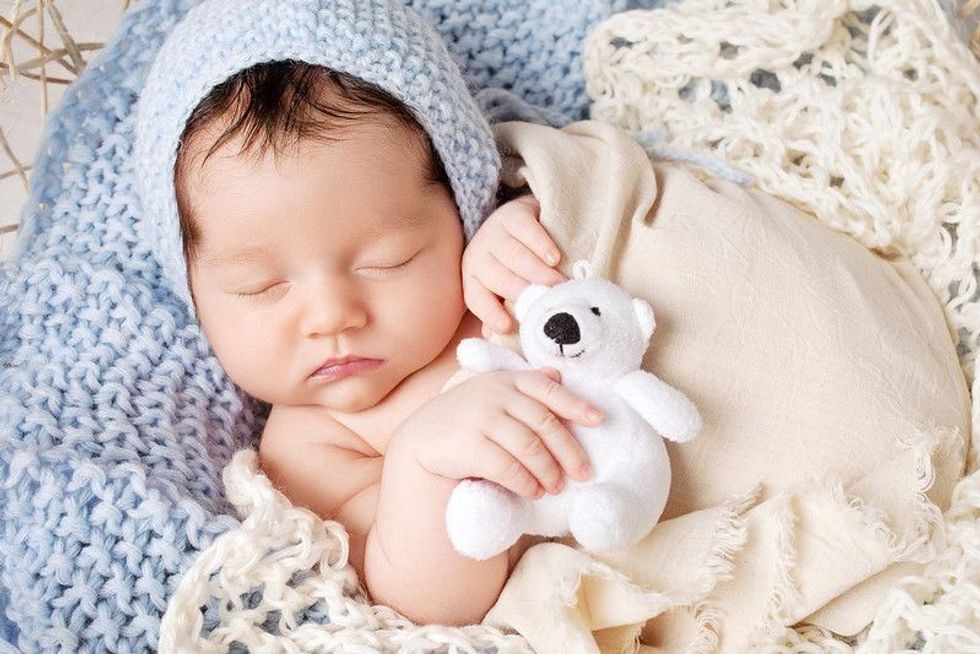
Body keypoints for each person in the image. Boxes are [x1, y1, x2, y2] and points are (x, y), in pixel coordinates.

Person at [135, 0, 602, 626]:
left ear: (461, 210)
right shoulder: (309, 450)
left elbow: (608, 212)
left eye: (387, 260)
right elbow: (423, 603)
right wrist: (423, 466)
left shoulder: (482, 272)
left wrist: (526, 219)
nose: (332, 316)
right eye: (261, 286)